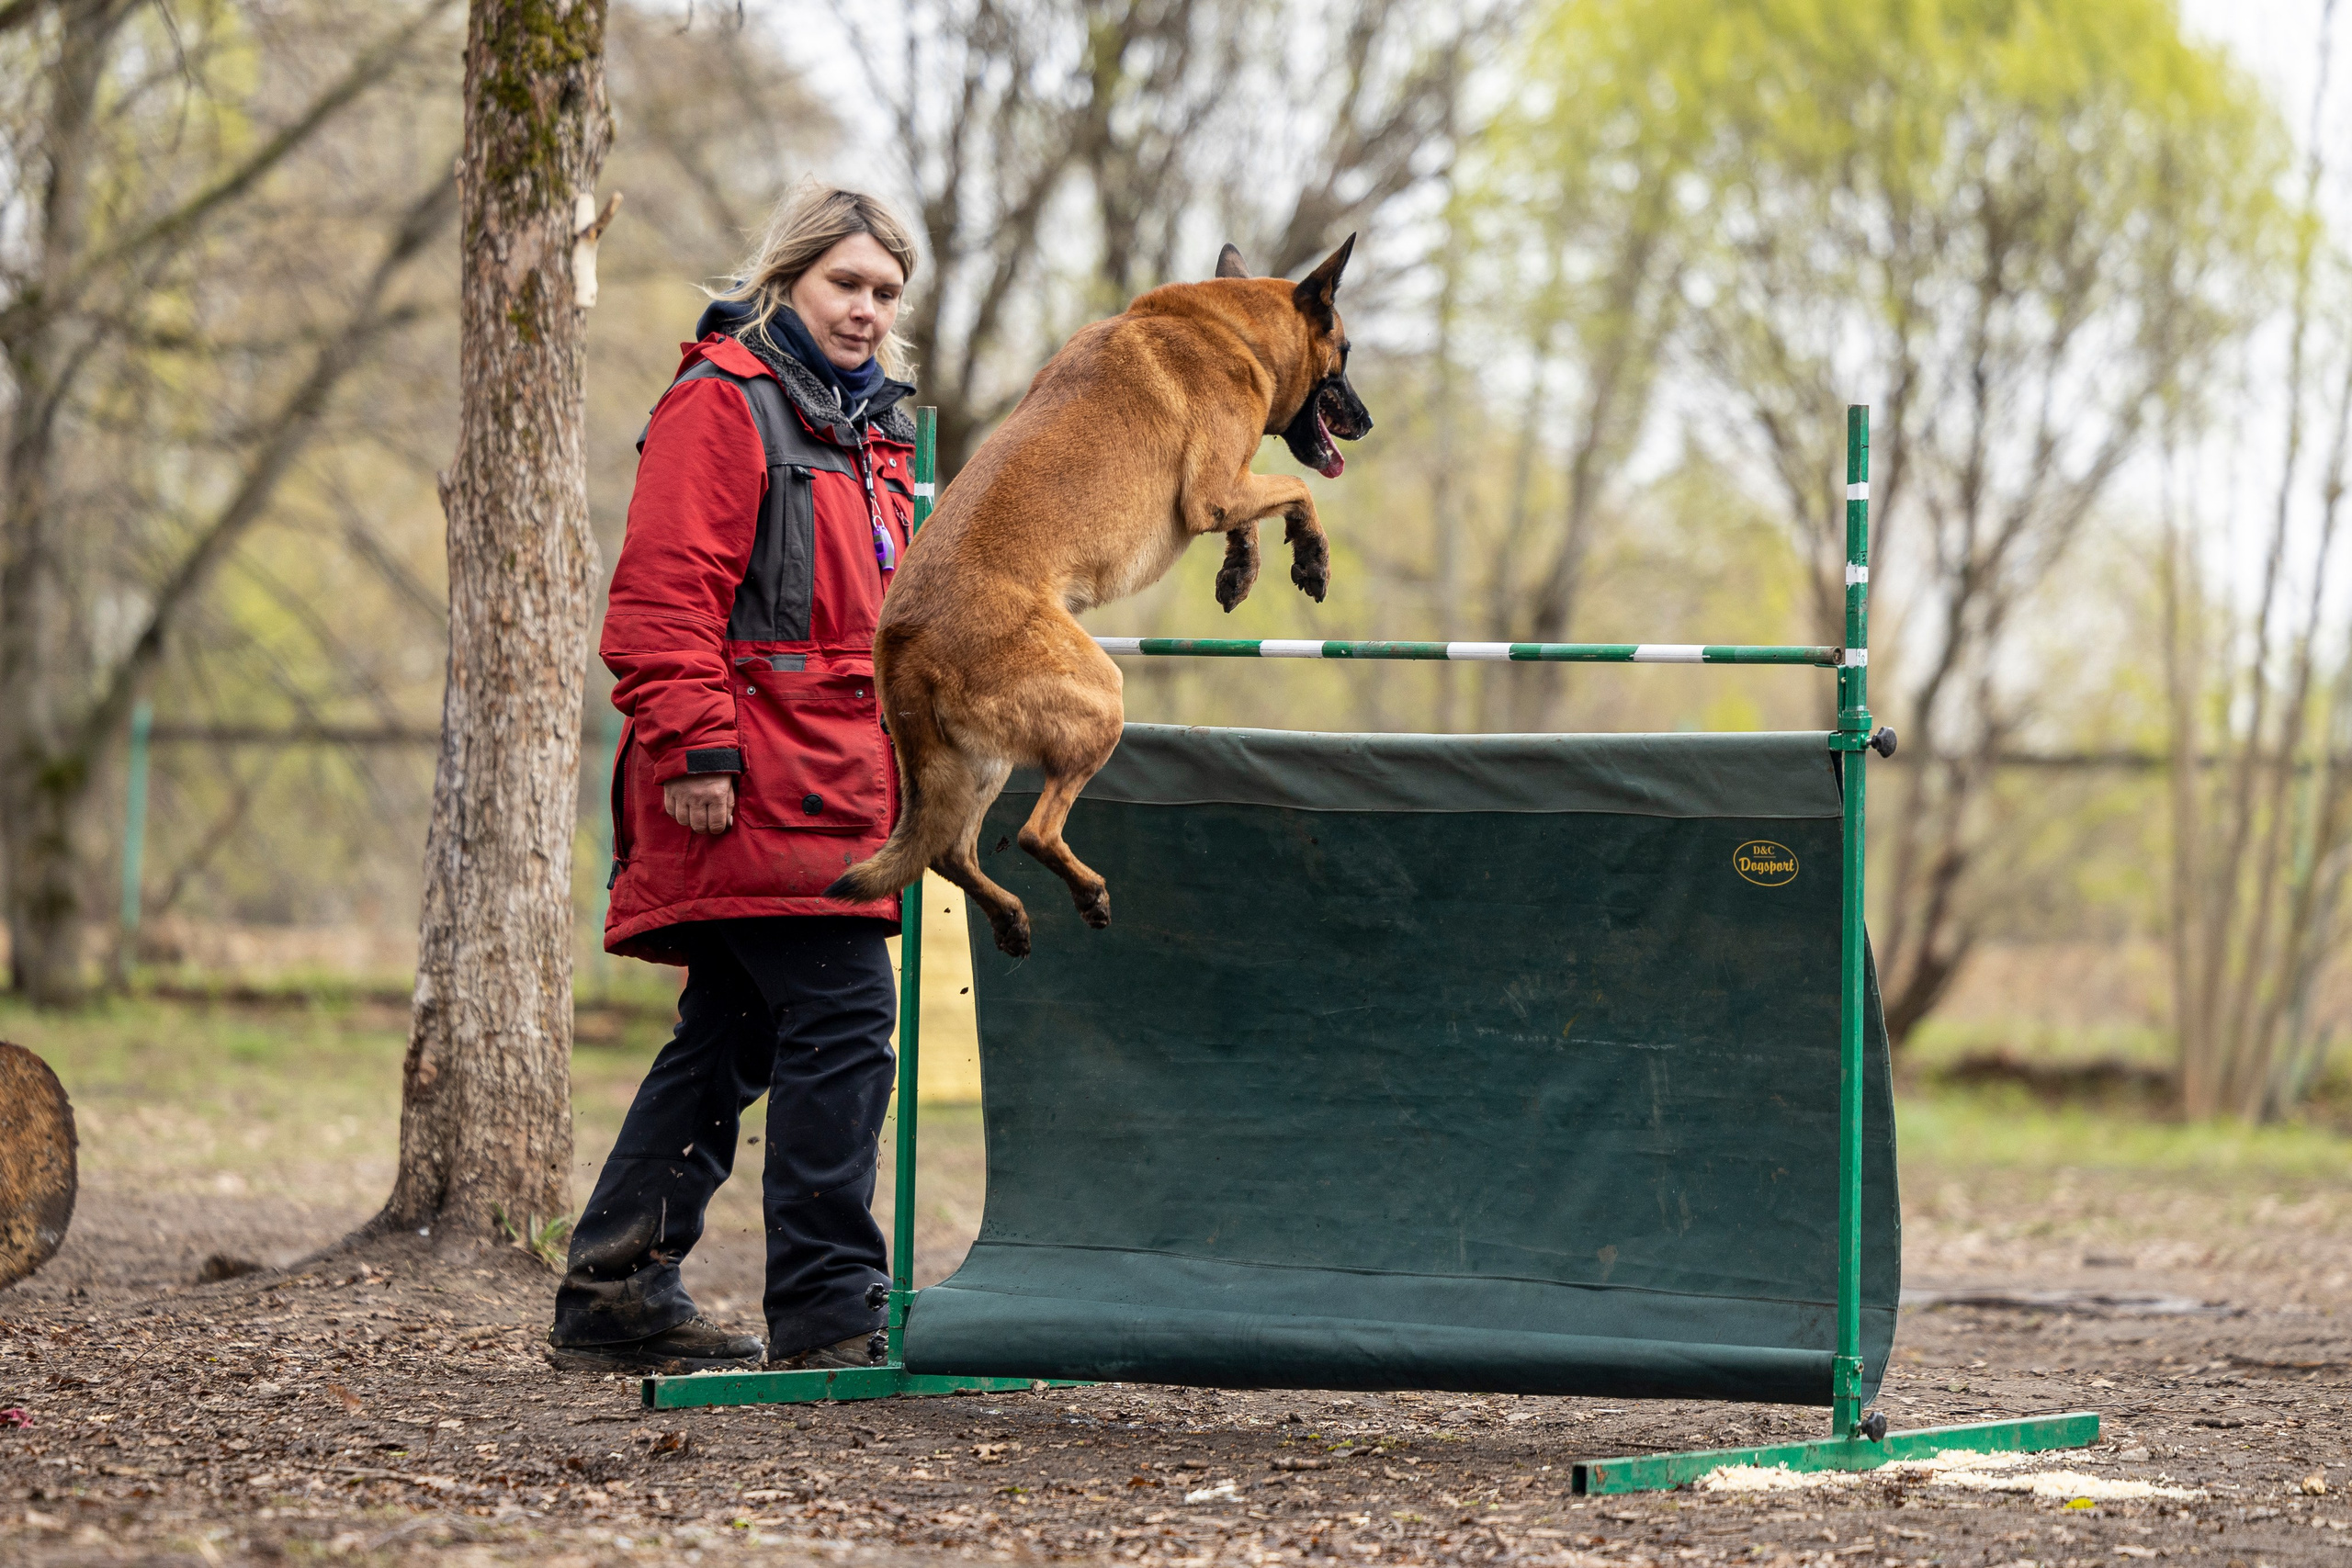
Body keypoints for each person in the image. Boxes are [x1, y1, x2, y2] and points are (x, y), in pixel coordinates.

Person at [545, 184, 923, 1373]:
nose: (866, 310)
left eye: (885, 293)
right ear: (788, 281)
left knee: (732, 1036)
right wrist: (695, 749)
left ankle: (615, 1290)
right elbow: (661, 599)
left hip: (838, 781)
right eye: (846, 284)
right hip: (746, 777)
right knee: (848, 1018)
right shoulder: (725, 402)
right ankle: (827, 1311)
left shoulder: (875, 433)